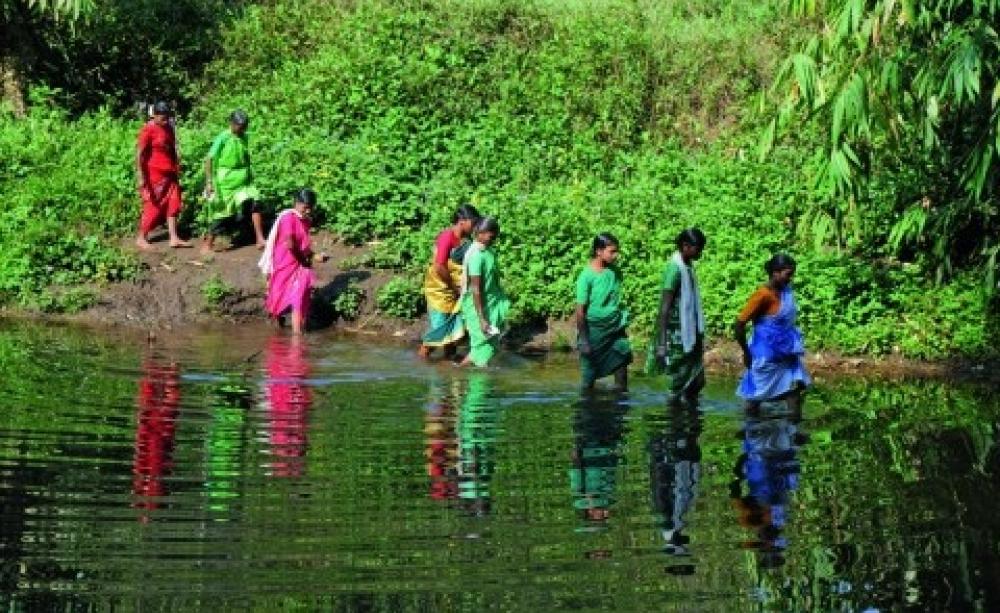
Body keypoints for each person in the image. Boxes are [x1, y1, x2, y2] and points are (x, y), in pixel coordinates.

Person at [734, 253, 811, 414]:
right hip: (765, 355)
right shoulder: (762, 296)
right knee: (755, 399)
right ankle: (751, 430)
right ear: (775, 272)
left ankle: (792, 432)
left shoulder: (785, 292)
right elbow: (739, 324)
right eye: (788, 274)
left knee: (794, 393)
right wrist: (746, 352)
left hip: (785, 353)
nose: (790, 279)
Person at [646, 228, 707, 407]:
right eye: (698, 248)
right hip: (676, 335)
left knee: (697, 381)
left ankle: (687, 413)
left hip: (689, 333)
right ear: (685, 246)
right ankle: (673, 421)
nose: (700, 252)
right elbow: (664, 308)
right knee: (678, 382)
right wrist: (662, 344)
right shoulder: (674, 270)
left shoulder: (688, 266)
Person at [258, 188, 328, 335]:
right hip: (285, 262)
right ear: (297, 203)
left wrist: (315, 256)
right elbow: (290, 244)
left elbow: (304, 245)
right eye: (305, 207)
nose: (308, 210)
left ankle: (297, 335)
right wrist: (304, 259)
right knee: (278, 296)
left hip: (299, 265)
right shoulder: (288, 217)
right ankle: (279, 325)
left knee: (299, 297)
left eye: (310, 208)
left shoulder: (305, 221)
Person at [419, 204, 481, 359]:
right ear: (462, 221)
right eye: (473, 223)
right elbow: (439, 267)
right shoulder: (447, 237)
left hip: (456, 289)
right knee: (440, 329)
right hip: (439, 289)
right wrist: (454, 287)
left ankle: (449, 361)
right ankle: (422, 358)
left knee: (453, 326)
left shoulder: (466, 240)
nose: (474, 227)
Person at [201, 110, 264, 253]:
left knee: (255, 202)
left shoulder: (244, 137)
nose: (243, 129)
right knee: (222, 213)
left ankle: (259, 238)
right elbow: (209, 159)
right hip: (226, 181)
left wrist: (250, 175)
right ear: (232, 124)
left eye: (245, 126)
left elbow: (246, 157)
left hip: (243, 179)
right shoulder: (222, 138)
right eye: (240, 126)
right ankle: (208, 244)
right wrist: (209, 182)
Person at [575, 233, 632, 391]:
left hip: (614, 330)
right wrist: (584, 340)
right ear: (599, 251)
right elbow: (580, 311)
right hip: (594, 332)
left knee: (621, 365)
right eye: (612, 251)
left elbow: (614, 299)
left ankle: (620, 407)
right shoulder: (586, 277)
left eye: (617, 251)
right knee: (589, 378)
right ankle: (588, 409)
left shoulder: (614, 272)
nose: (616, 255)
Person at [135, 101, 191, 249]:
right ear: (154, 115)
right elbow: (139, 153)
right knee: (154, 205)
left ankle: (173, 237)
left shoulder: (168, 127)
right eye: (162, 117)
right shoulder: (148, 130)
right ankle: (141, 237)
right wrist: (140, 175)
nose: (165, 120)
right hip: (155, 174)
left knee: (174, 202)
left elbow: (172, 147)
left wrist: (177, 164)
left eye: (167, 116)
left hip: (170, 172)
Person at [458, 216, 509, 367]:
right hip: (478, 308)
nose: (493, 239)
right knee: (482, 350)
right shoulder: (476, 256)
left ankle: (456, 375)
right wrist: (481, 318)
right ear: (479, 233)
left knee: (481, 349)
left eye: (495, 236)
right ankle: (478, 389)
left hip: (491, 304)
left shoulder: (488, 252)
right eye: (491, 236)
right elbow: (475, 289)